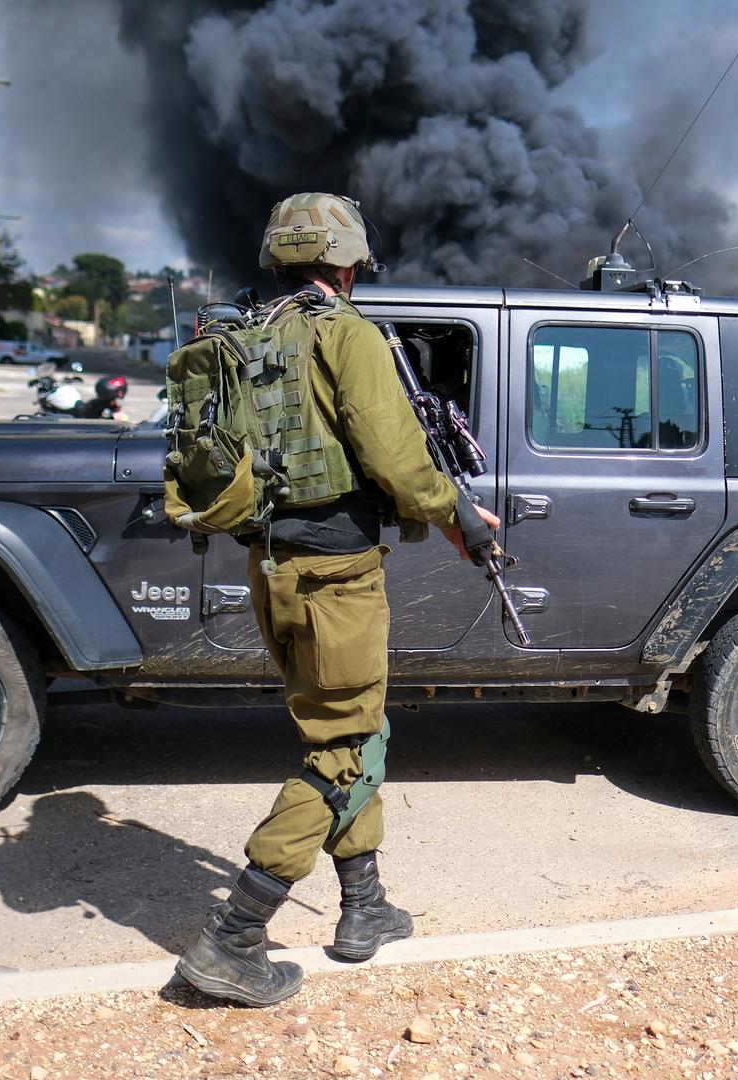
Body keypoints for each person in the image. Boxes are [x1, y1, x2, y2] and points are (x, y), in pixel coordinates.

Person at [174, 192, 502, 1007]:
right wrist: (459, 515)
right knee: (342, 749)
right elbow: (395, 458)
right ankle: (232, 939)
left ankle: (365, 907)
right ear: (348, 261)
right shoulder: (344, 333)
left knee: (354, 727)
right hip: (336, 579)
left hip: (273, 569)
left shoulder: (245, 333)